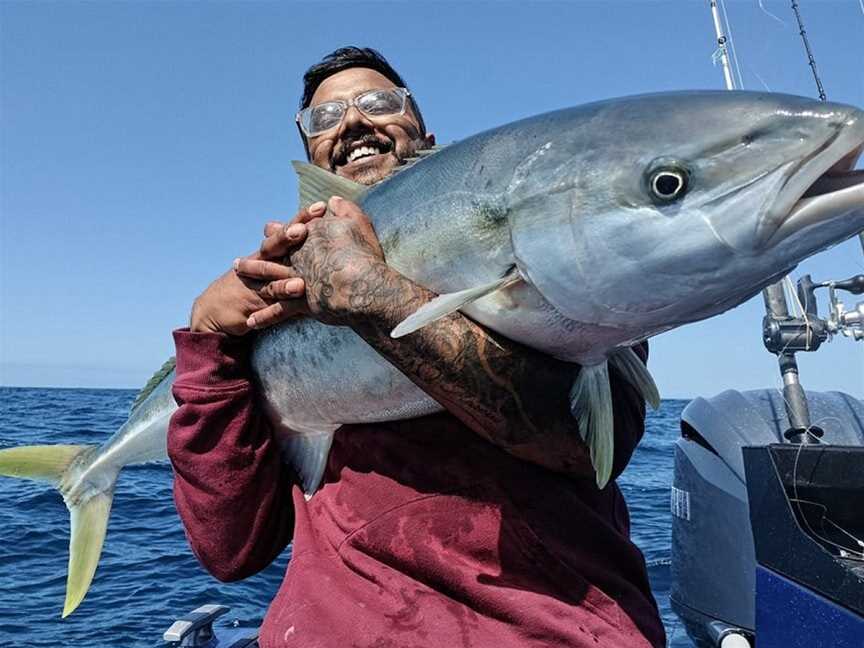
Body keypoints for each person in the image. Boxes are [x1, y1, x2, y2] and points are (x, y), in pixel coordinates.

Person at [168, 46, 666, 648]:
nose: (353, 123)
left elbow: (588, 450)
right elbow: (231, 549)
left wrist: (369, 293)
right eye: (325, 120)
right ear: (310, 161)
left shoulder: (556, 253)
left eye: (378, 103)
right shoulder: (275, 304)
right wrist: (206, 338)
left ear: (426, 135)